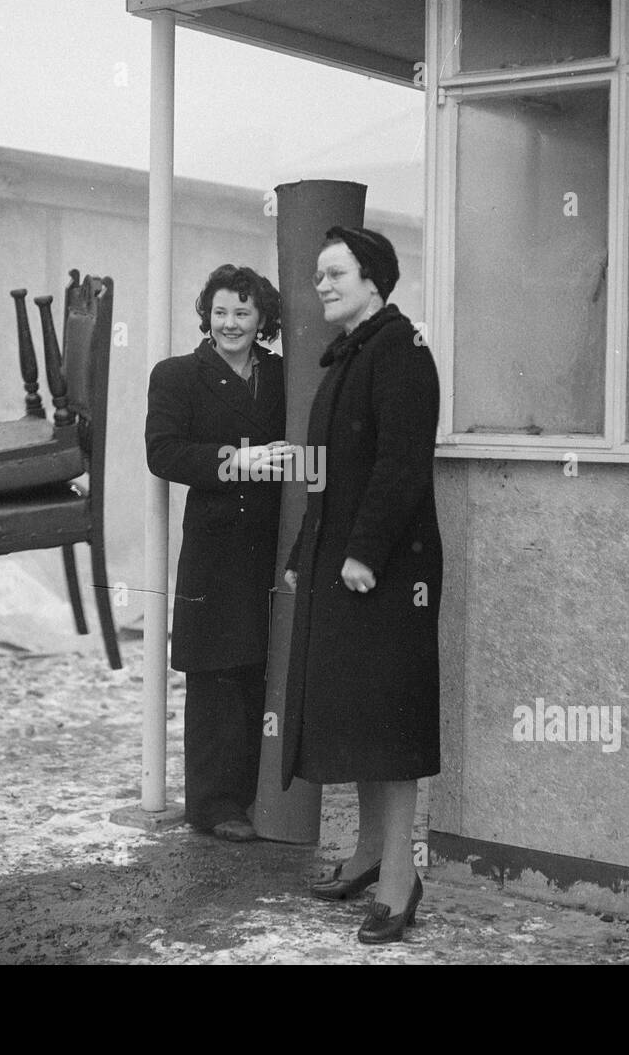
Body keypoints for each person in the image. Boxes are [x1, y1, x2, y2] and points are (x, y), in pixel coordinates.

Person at [282, 226, 442, 944]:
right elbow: (329, 472)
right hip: (343, 562)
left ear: (374, 280)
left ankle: (402, 882)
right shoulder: (352, 352)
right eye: (317, 273)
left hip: (386, 570)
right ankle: (371, 854)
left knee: (390, 725)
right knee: (359, 719)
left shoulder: (401, 352)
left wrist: (365, 554)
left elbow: (401, 465)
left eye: (335, 273)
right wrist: (303, 551)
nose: (321, 284)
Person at [146, 264, 291, 842]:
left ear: (263, 321)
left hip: (272, 539)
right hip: (214, 544)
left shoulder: (283, 376)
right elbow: (164, 453)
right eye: (221, 311)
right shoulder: (178, 375)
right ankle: (212, 805)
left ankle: (256, 797)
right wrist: (237, 461)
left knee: (260, 666)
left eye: (243, 313)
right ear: (206, 315)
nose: (230, 323)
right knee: (215, 671)